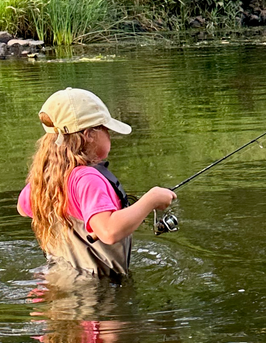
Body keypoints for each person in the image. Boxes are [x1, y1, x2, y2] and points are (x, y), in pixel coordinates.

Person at [18, 87, 174, 279]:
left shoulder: (46, 179)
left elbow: (22, 207)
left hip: (55, 278)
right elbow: (108, 231)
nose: (109, 135)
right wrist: (151, 199)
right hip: (94, 292)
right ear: (89, 134)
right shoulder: (88, 179)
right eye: (105, 129)